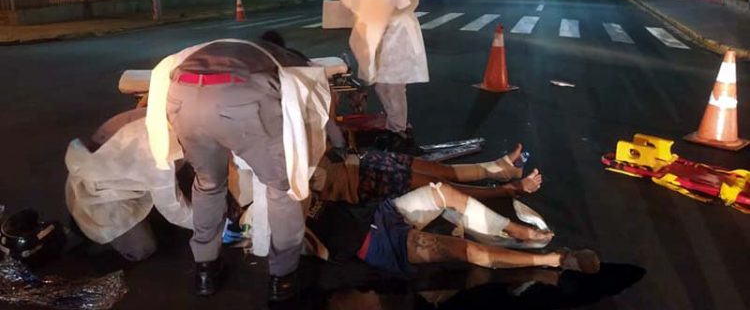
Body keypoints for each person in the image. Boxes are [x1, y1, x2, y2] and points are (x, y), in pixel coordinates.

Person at [145, 38, 330, 301]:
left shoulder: (215, 47)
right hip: (240, 101)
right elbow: (312, 82)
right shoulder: (278, 55)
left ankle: (205, 270)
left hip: (181, 96)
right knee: (282, 189)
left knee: (208, 183)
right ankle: (283, 279)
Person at [303, 183, 600, 276]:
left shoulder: (292, 178)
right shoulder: (278, 221)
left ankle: (516, 230)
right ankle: (555, 260)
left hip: (380, 212)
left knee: (443, 192)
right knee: (464, 250)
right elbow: (318, 252)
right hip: (377, 243)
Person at [325, 0, 431, 152]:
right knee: (379, 83)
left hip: (397, 29)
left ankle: (399, 133)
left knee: (394, 83)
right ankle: (396, 126)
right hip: (371, 28)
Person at [314, 143, 543, 204]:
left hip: (357, 160)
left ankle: (498, 168)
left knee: (438, 170)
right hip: (351, 179)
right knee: (437, 185)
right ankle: (507, 190)